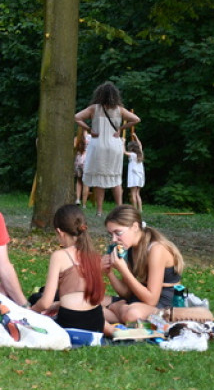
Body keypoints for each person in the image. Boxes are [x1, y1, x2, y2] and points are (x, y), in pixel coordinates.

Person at [102, 205, 185, 325]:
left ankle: (114, 310)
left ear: (135, 227)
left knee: (131, 314)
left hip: (163, 304)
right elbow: (126, 293)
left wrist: (123, 270)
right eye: (111, 234)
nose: (114, 239)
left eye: (118, 233)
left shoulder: (156, 249)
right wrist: (108, 272)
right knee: (87, 300)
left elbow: (151, 299)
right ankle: (117, 311)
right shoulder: (130, 248)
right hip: (138, 299)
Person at [30, 204, 106, 333]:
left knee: (36, 299)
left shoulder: (59, 256)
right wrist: (58, 304)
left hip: (71, 321)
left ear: (60, 232)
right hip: (97, 321)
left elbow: (45, 303)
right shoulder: (94, 254)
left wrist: (30, 312)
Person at [75, 82, 141, 217]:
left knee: (99, 179)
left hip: (98, 145)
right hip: (114, 145)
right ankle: (120, 209)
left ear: (99, 94)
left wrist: (89, 129)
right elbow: (136, 119)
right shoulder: (120, 109)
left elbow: (77, 117)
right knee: (115, 177)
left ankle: (99, 211)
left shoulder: (94, 108)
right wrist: (120, 129)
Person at [126, 134, 146, 212]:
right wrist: (136, 136)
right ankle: (140, 209)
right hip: (140, 177)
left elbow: (123, 152)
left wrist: (122, 143)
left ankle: (134, 210)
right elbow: (140, 144)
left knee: (133, 193)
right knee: (137, 193)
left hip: (133, 177)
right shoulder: (140, 154)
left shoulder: (132, 155)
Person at [74, 125, 89, 207]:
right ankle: (84, 204)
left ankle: (77, 199)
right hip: (87, 161)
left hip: (78, 161)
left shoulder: (76, 139)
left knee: (79, 181)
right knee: (86, 183)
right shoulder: (90, 138)